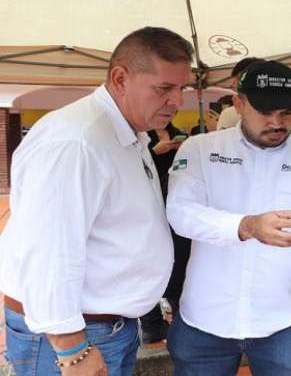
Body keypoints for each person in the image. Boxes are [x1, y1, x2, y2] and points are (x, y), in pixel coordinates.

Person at [0, 26, 194, 376]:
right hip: (70, 335)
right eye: (164, 88)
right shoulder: (76, 142)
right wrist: (72, 348)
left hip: (107, 327)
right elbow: (48, 249)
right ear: (120, 78)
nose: (177, 101)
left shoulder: (127, 131)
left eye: (183, 88)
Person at [165, 60, 291, 376]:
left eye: (286, 113)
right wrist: (247, 226)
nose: (276, 122)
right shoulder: (200, 149)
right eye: (265, 112)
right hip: (206, 315)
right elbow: (180, 212)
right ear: (238, 102)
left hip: (286, 317)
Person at [139, 121, 189, 344]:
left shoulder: (177, 132)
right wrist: (153, 152)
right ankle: (151, 323)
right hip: (148, 202)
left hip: (175, 199)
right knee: (147, 264)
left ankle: (181, 320)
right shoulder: (140, 136)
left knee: (179, 263)